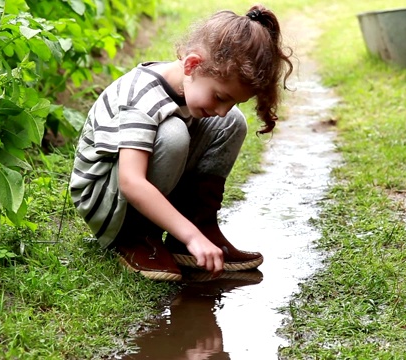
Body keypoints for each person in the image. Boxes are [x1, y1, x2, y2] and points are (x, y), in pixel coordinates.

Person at [69, 4, 293, 282]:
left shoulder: (192, 87)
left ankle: (198, 226)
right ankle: (137, 236)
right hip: (107, 198)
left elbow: (222, 115)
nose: (222, 108)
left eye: (234, 101)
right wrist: (191, 236)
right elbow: (131, 182)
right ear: (192, 65)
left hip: (136, 186)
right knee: (173, 134)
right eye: (221, 97)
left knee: (231, 122)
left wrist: (195, 232)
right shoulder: (142, 97)